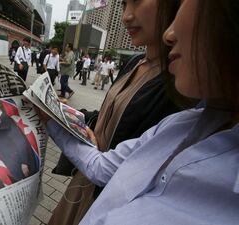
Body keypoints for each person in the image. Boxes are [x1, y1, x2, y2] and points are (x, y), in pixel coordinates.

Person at [44, 0, 239, 224]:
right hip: (88, 178)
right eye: (124, 4)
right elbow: (106, 151)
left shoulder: (181, 87)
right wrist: (61, 116)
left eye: (137, 1)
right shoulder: (179, 121)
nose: (126, 16)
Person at [0, 103, 39, 181]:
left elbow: (19, 141)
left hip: (20, 163)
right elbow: (3, 141)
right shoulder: (0, 121)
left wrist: (24, 163)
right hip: (15, 162)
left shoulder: (6, 120)